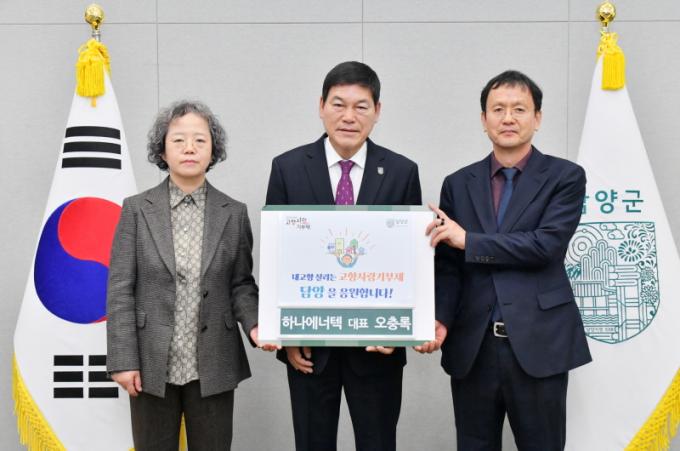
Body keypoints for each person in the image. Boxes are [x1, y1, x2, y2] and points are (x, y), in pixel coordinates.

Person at [423, 70, 591, 450]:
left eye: (519, 109)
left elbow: (545, 246)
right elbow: (449, 267)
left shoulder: (565, 177)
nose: (508, 118)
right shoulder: (458, 183)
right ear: (484, 120)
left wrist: (469, 241)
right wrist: (440, 319)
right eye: (498, 109)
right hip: (473, 346)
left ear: (537, 118)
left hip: (539, 343)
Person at [265, 61, 422, 451]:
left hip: (377, 347)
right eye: (338, 104)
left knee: (378, 443)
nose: (349, 116)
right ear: (321, 106)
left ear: (377, 111)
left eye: (361, 106)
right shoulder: (287, 168)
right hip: (308, 347)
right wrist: (286, 334)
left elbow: (410, 261)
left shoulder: (402, 171)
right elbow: (277, 257)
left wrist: (398, 331)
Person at [106, 100, 273, 450]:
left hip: (214, 362)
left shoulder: (233, 213)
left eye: (200, 140)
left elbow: (241, 283)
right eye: (178, 140)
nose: (189, 148)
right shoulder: (136, 210)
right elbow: (120, 288)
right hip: (150, 363)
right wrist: (123, 360)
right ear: (162, 151)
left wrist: (256, 325)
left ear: (213, 150)